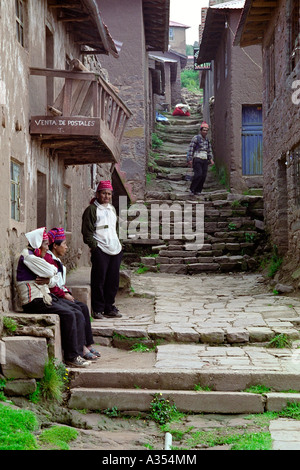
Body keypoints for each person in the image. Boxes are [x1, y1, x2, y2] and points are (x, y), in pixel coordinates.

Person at [15, 227, 90, 368]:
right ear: (37, 245)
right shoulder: (29, 257)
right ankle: (71, 356)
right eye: (44, 244)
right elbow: (51, 270)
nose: (46, 248)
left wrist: (50, 277)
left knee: (75, 310)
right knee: (68, 314)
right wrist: (51, 274)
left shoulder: (35, 257)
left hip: (43, 297)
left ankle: (78, 352)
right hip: (34, 301)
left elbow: (55, 278)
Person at [44, 227, 100, 361]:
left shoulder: (56, 260)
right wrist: (64, 295)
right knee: (77, 311)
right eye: (64, 244)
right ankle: (80, 348)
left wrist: (66, 292)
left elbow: (59, 283)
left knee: (83, 307)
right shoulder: (48, 260)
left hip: (60, 293)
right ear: (55, 246)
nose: (66, 247)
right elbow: (51, 284)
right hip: (54, 295)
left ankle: (87, 343)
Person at [82, 180, 123, 320]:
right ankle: (98, 309)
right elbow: (87, 232)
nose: (106, 196)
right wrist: (95, 247)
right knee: (99, 280)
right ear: (98, 194)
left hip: (115, 249)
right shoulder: (92, 210)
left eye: (109, 194)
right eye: (104, 193)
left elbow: (115, 228)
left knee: (113, 280)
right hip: (100, 248)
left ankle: (109, 307)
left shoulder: (111, 209)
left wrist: (118, 243)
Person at [187, 121, 214, 195]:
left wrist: (211, 159)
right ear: (201, 130)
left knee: (203, 175)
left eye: (206, 130)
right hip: (197, 158)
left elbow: (209, 150)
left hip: (205, 159)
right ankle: (192, 189)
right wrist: (190, 159)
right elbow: (191, 148)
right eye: (204, 130)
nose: (205, 132)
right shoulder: (196, 138)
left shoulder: (207, 140)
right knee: (198, 174)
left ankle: (198, 190)